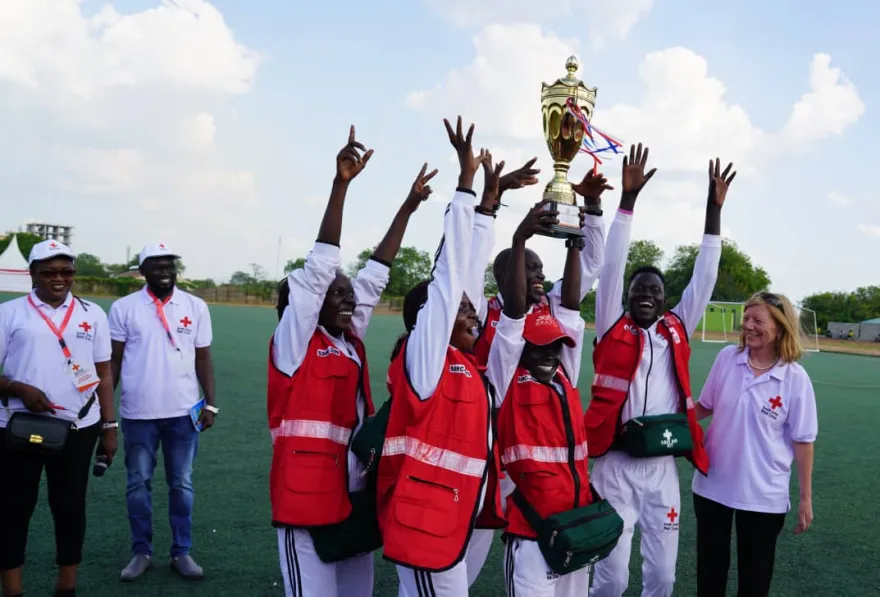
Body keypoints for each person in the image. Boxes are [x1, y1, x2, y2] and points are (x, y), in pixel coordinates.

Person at [267, 126, 435, 597]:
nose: (349, 300)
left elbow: (376, 274)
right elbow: (321, 266)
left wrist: (407, 206)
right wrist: (340, 185)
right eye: (335, 294)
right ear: (309, 303)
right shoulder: (294, 343)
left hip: (352, 493)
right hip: (305, 500)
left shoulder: (349, 343)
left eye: (347, 295)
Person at [585, 148, 736, 597]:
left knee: (663, 576)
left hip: (662, 468)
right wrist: (627, 202)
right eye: (638, 290)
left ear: (666, 300)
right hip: (614, 465)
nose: (646, 294)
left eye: (654, 290)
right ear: (627, 296)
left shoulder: (676, 328)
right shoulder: (613, 324)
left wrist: (714, 210)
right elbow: (611, 267)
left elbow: (704, 279)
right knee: (611, 576)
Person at [376, 115, 493, 596]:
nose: (472, 313)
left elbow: (467, 274)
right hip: (427, 519)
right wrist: (464, 186)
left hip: (455, 514)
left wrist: (489, 207)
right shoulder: (426, 360)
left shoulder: (466, 363)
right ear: (431, 321)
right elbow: (449, 279)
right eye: (460, 310)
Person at [487, 202, 597, 596]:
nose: (551, 352)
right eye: (541, 346)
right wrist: (519, 238)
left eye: (556, 345)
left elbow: (569, 305)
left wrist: (573, 242)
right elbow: (514, 317)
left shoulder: (564, 373)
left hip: (575, 521)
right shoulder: (506, 376)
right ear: (521, 347)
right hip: (532, 528)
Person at [0, 240, 118, 597]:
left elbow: (104, 373)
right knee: (12, 509)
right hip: (16, 427)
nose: (59, 278)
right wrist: (19, 388)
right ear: (32, 273)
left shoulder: (92, 313)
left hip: (79, 427)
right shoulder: (10, 313)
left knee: (69, 507)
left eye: (66, 271)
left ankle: (66, 587)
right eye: (49, 271)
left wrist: (109, 427)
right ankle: (12, 591)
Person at [692, 291, 817, 597]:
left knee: (754, 581)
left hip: (763, 494)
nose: (748, 326)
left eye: (758, 321)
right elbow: (705, 406)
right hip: (712, 486)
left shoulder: (795, 378)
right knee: (709, 575)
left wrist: (805, 498)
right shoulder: (727, 359)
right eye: (746, 318)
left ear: (780, 328)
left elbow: (803, 441)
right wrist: (666, 421)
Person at [108, 242, 216, 581]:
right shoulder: (124, 308)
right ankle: (141, 551)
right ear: (143, 271)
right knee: (138, 483)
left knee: (181, 484)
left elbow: (203, 357)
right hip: (138, 413)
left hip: (184, 413)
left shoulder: (195, 306)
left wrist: (210, 402)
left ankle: (181, 551)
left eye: (170, 265)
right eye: (157, 265)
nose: (165, 271)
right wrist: (106, 410)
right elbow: (113, 360)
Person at [470, 168, 612, 366]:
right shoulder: (480, 311)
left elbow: (591, 266)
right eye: (532, 269)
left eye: (540, 269)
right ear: (504, 274)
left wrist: (592, 207)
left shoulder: (551, 306)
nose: (541, 276)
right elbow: (471, 261)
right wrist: (492, 198)